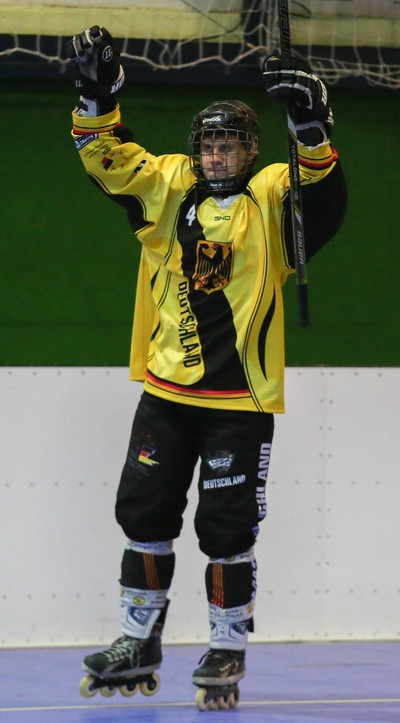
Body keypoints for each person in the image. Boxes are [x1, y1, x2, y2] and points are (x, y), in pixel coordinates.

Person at [67, 26, 347, 707]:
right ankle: (138, 637)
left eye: (230, 145)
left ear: (251, 150)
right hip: (166, 393)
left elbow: (321, 191)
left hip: (238, 403)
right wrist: (96, 96)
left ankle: (226, 645)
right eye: (209, 144)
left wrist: (311, 123)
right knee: (144, 514)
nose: (216, 154)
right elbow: (106, 155)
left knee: (227, 529)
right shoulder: (169, 186)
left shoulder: (271, 192)